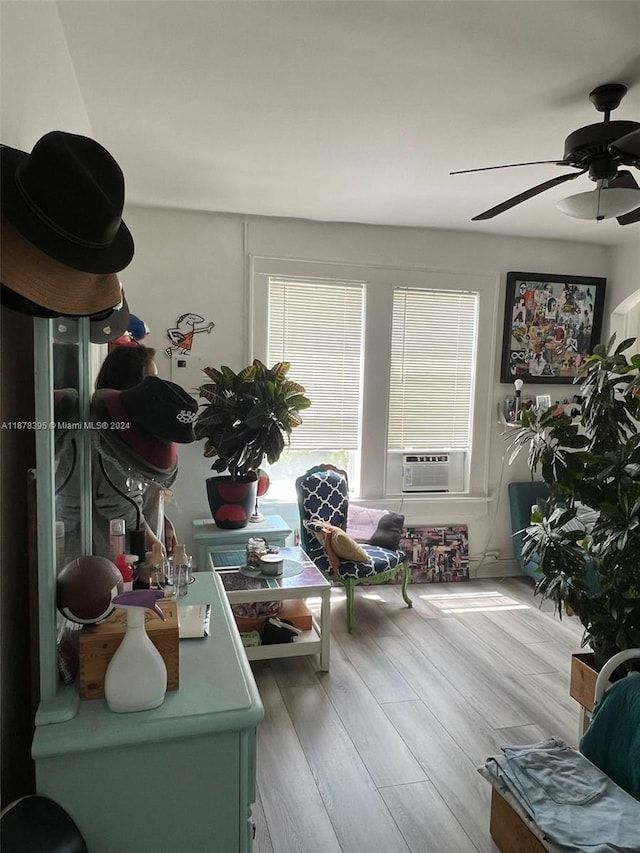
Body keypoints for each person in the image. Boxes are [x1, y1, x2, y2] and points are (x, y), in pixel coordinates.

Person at [90, 376, 197, 563]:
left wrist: (161, 523)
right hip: (116, 556)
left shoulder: (136, 444)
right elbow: (121, 508)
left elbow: (142, 492)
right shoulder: (115, 454)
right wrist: (154, 545)